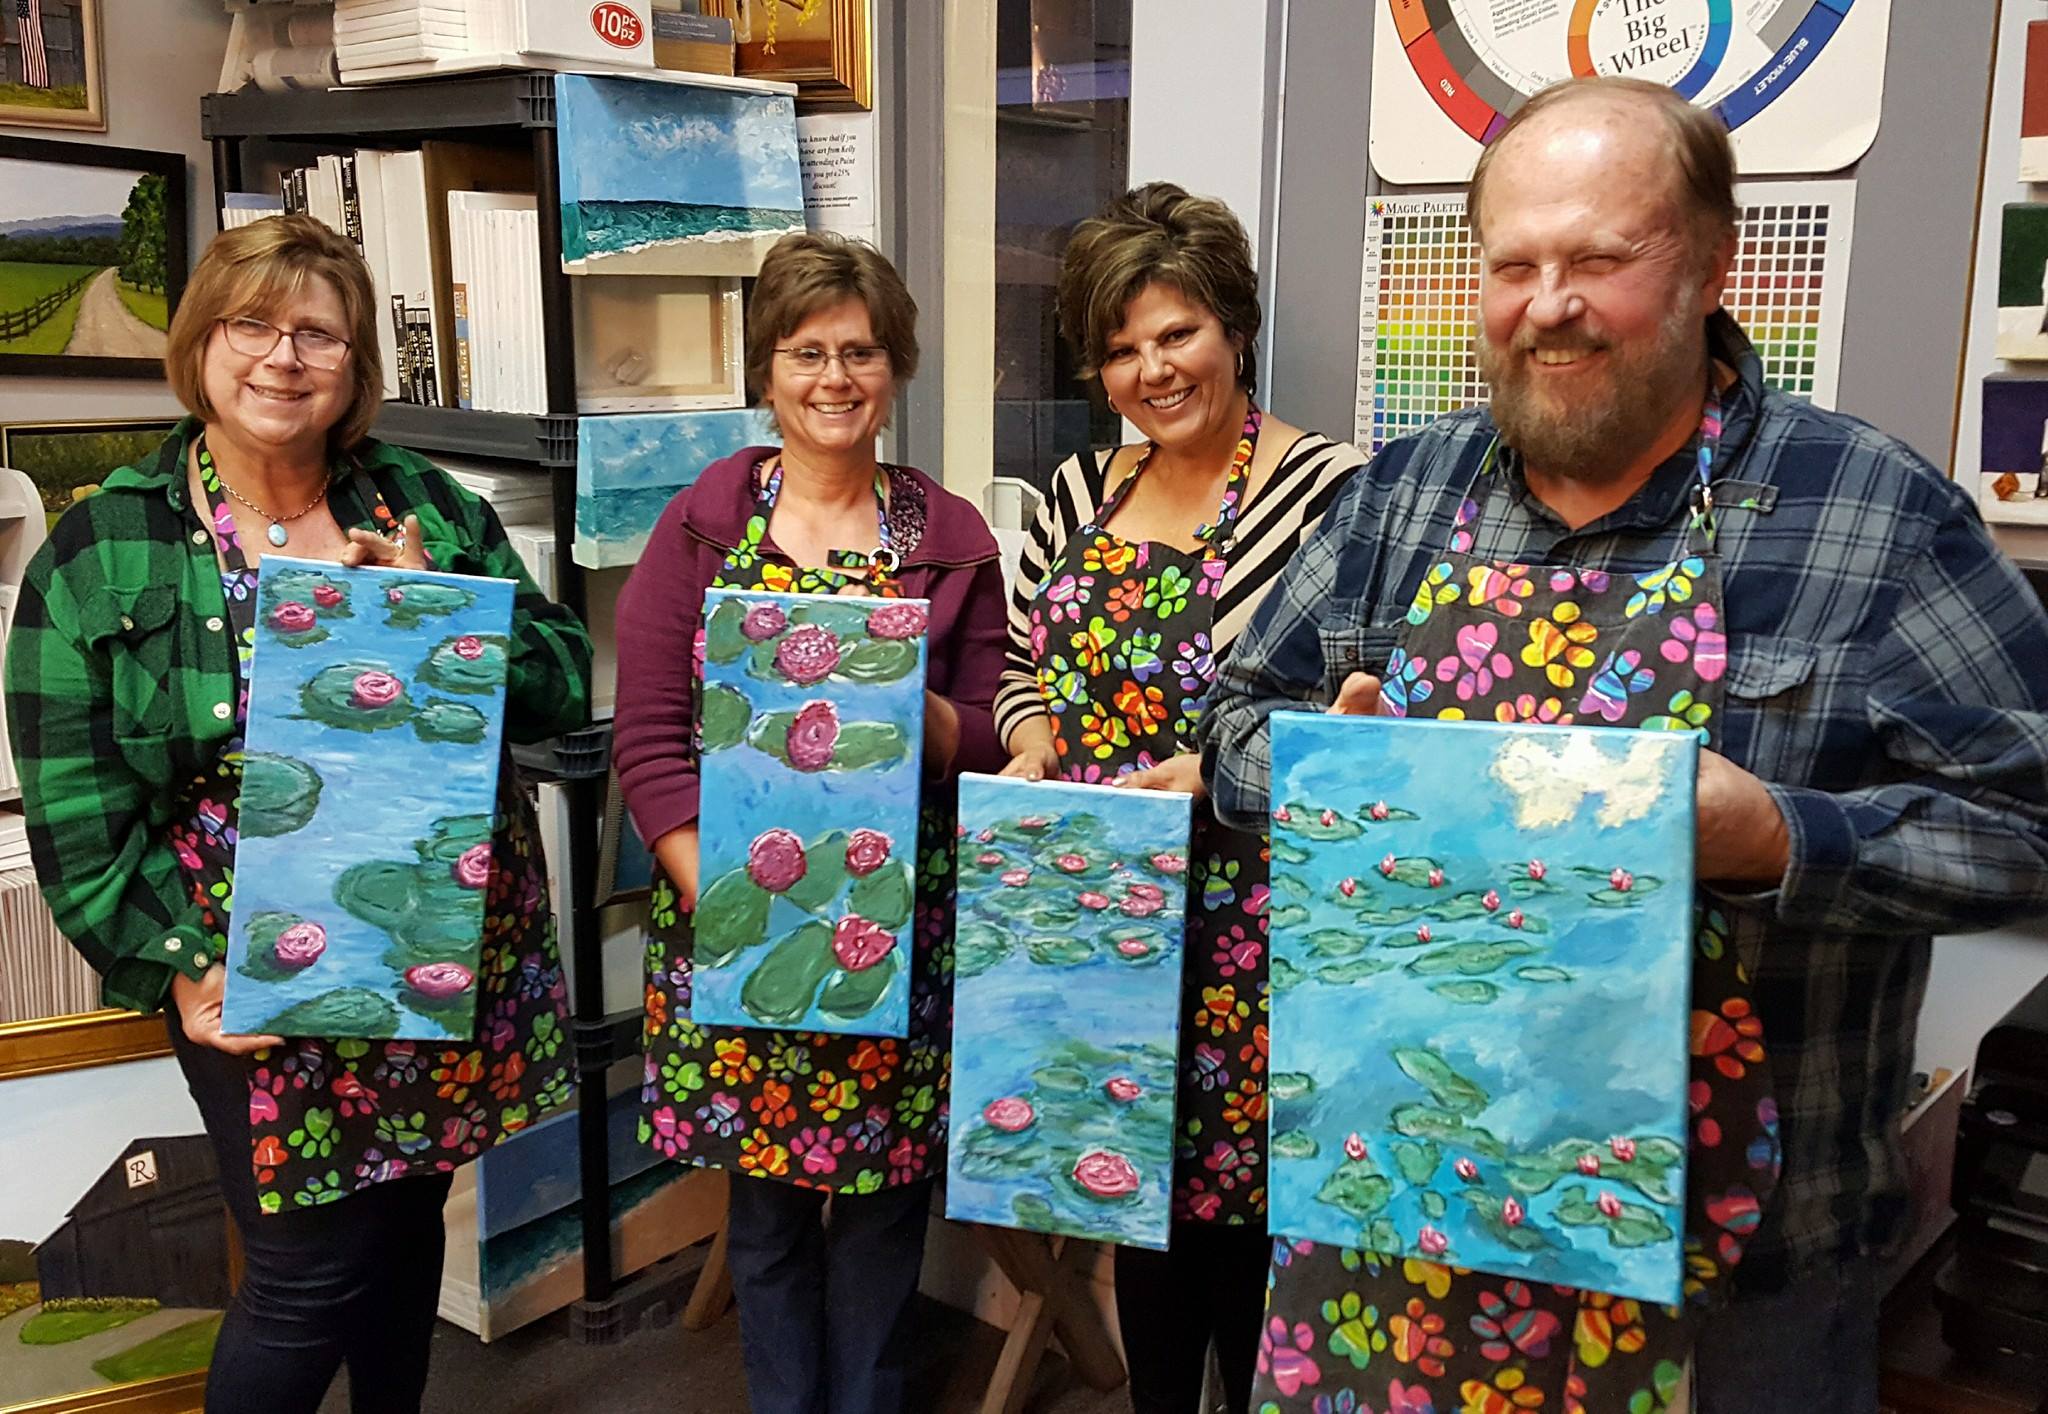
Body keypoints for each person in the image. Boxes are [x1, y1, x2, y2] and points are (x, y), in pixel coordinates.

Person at [1203, 77, 2048, 1414]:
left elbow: (2027, 828)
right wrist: (1333, 772)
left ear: (1713, 266)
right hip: (1402, 1205)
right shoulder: (1401, 499)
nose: (1550, 304)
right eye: (1515, 265)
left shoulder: (1871, 513)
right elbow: (1233, 722)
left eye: (1600, 258)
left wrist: (1780, 838)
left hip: (1739, 1278)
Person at [5, 214, 591, 1414]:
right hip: (245, 961)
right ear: (201, 343)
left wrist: (446, 609)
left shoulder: (426, 505)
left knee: (408, 1216)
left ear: (354, 362)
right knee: (303, 1271)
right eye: (252, 325)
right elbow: (76, 808)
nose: (283, 356)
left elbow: (561, 682)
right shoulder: (106, 545)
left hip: (429, 934)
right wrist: (180, 967)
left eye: (317, 332)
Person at [612, 231, 1009, 1414]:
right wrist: (715, 893)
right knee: (768, 1206)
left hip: (894, 926)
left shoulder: (949, 540)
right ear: (767, 370)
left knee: (883, 1200)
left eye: (861, 352)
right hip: (735, 915)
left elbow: (993, 737)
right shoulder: (702, 525)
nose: (834, 378)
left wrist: (912, 707)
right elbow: (648, 733)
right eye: (806, 353)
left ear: (896, 367)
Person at [994, 182, 1364, 1414]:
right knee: (1132, 1212)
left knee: (1247, 1230)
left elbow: (1370, 706)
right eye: (1120, 348)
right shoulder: (1073, 493)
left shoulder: (1328, 492)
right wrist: (1033, 739)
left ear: (1233, 328)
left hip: (1256, 928)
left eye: (1176, 333)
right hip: (1102, 910)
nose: (1151, 370)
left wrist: (1222, 768)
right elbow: (1017, 665)